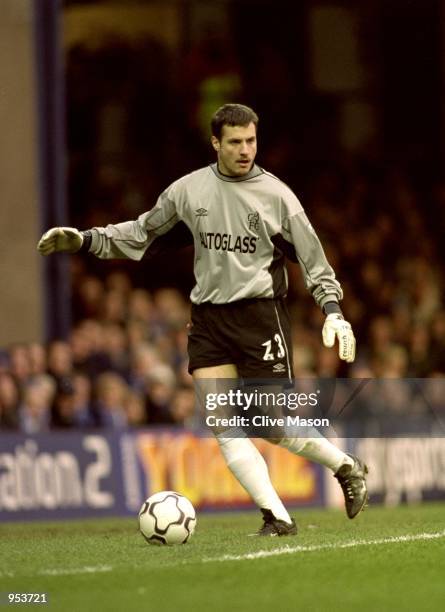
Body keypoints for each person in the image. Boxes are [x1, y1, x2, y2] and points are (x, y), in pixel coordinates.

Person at [38, 103, 368, 536]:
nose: (245, 149)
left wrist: (333, 311)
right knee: (223, 419)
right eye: (235, 142)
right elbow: (142, 234)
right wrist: (85, 240)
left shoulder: (279, 197)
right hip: (209, 319)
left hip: (259, 316)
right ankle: (277, 517)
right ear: (216, 143)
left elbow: (314, 261)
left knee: (268, 422)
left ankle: (345, 466)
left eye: (251, 140)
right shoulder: (188, 192)